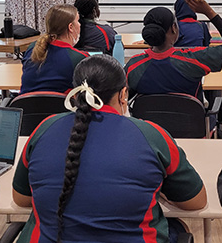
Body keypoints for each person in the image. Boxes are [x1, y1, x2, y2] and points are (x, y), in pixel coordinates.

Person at [12, 54, 206, 243]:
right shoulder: (152, 135)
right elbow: (195, 201)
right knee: (179, 227)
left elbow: (21, 198)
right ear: (123, 94)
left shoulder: (44, 128)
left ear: (75, 93)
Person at [124, 0, 222, 101]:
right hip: (191, 123)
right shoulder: (195, 59)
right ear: (174, 28)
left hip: (146, 124)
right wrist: (209, 12)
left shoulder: (133, 66)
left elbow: (122, 99)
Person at [20, 4, 89, 94]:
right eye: (78, 21)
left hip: (25, 106)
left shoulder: (32, 48)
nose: (80, 25)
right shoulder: (80, 58)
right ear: (70, 27)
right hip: (62, 107)